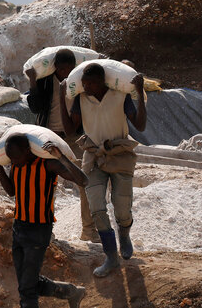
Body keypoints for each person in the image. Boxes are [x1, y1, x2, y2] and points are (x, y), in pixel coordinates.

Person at [59, 63, 147, 278]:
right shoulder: (81, 99)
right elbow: (70, 131)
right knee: (96, 206)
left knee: (122, 205)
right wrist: (63, 98)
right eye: (84, 83)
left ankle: (124, 235)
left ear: (101, 82)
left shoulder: (120, 96)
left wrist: (141, 91)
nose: (86, 87)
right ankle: (111, 256)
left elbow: (140, 125)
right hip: (93, 155)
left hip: (119, 153)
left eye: (90, 83)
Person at [0, 135, 87, 308]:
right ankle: (71, 292)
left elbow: (83, 180)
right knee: (26, 282)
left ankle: (71, 292)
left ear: (28, 151)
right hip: (19, 227)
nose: (13, 162)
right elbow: (11, 191)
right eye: (11, 159)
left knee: (27, 291)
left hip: (38, 230)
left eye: (16, 157)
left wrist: (61, 157)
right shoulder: (16, 164)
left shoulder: (47, 164)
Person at [26, 49, 98, 243]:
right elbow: (35, 107)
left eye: (69, 68)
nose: (66, 72)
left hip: (75, 137)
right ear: (55, 67)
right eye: (62, 68)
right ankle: (45, 229)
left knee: (85, 181)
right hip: (49, 137)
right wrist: (33, 81)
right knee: (46, 182)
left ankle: (89, 230)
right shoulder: (46, 81)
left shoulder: (79, 81)